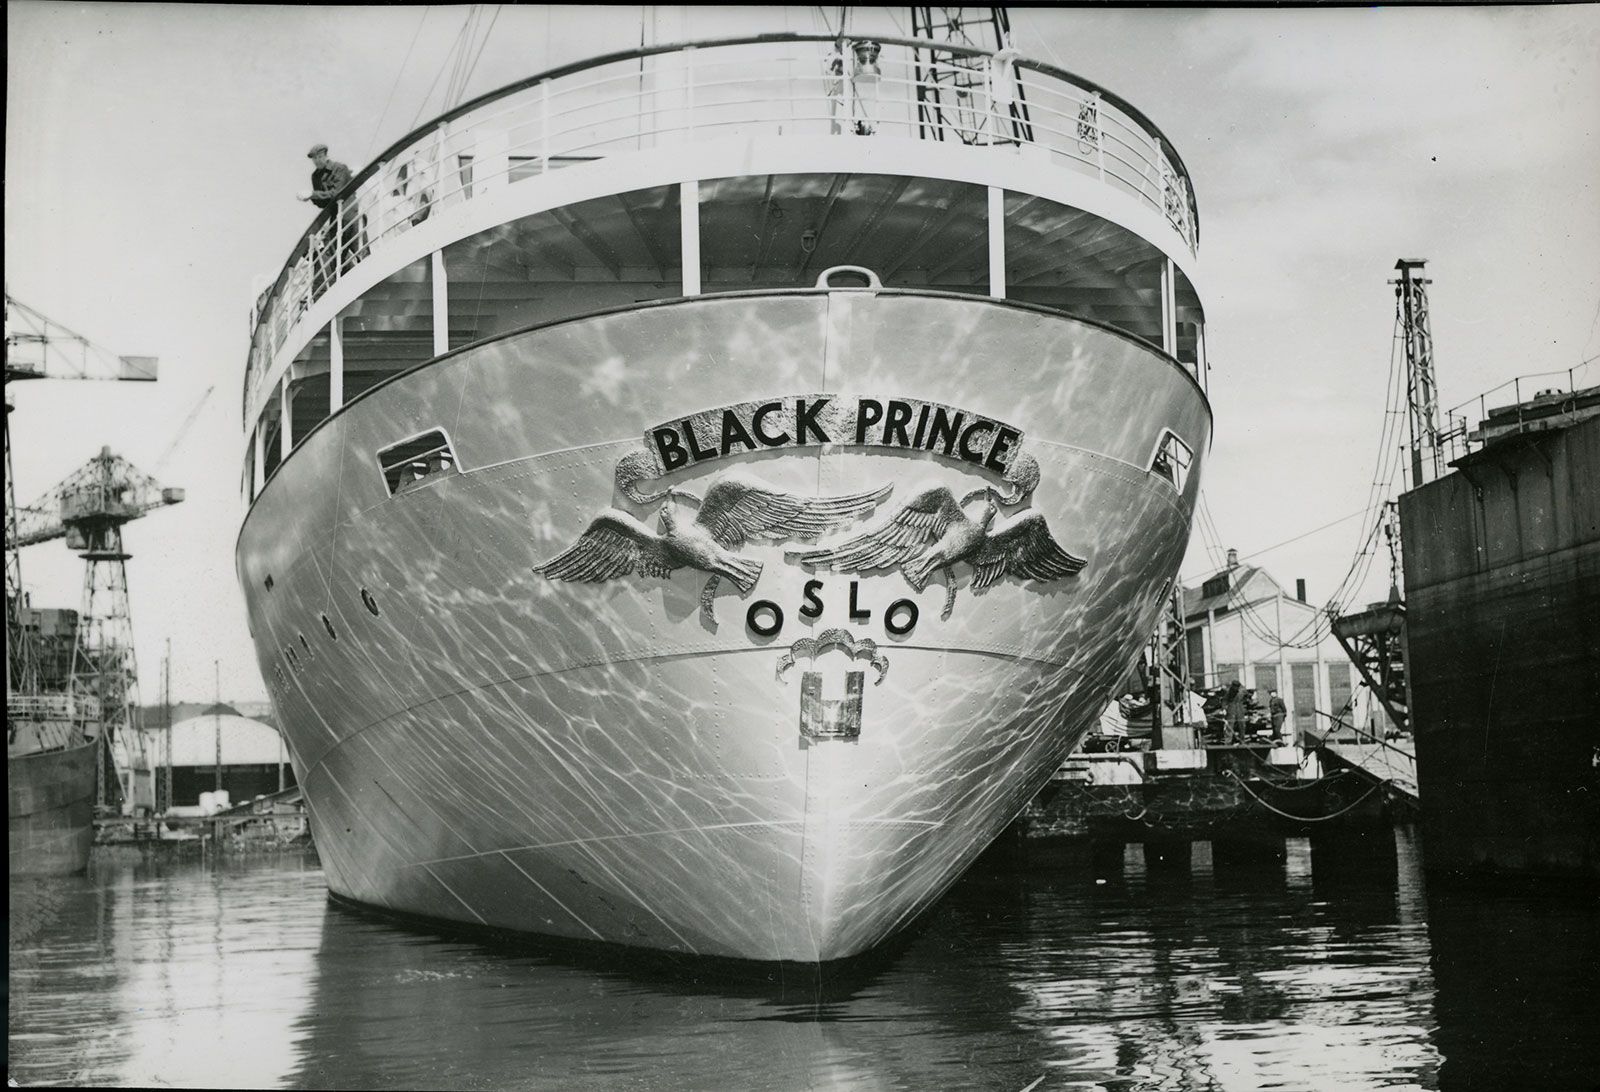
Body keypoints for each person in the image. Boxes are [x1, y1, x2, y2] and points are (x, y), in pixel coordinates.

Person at [297, 143, 359, 295]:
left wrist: (312, 195)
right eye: (314, 159)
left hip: (349, 213)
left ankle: (372, 277)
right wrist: (311, 198)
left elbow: (337, 193)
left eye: (319, 157)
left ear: (325, 155)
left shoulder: (340, 168)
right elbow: (322, 202)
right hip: (335, 217)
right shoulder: (315, 176)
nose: (317, 161)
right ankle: (336, 289)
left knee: (360, 247)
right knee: (334, 254)